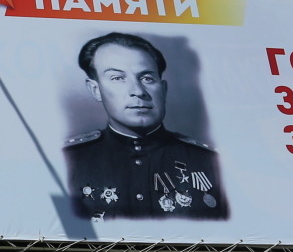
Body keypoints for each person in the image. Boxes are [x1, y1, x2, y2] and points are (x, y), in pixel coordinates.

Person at [64, 31, 227, 220]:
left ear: (163, 89)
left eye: (147, 78)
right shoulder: (68, 161)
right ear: (95, 89)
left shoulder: (211, 162)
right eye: (118, 78)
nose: (138, 91)